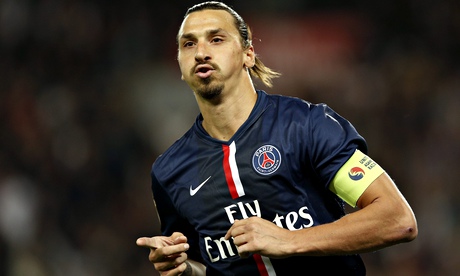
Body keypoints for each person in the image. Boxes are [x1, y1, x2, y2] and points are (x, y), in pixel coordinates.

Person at [136, 1, 418, 275]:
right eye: (189, 44)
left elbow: (396, 219)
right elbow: (207, 265)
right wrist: (184, 269)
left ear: (248, 53)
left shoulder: (306, 125)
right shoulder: (169, 171)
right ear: (180, 65)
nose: (201, 52)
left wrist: (289, 240)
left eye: (216, 39)